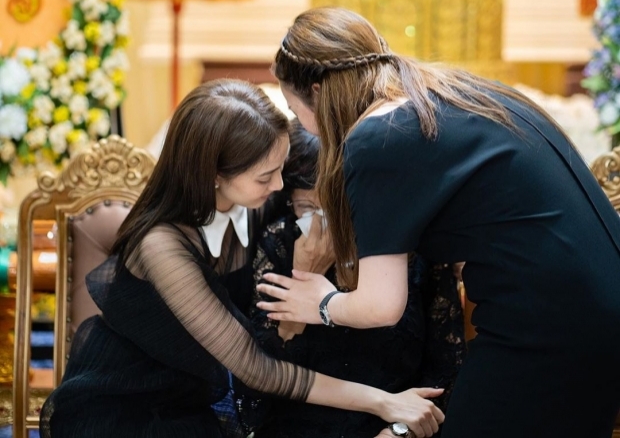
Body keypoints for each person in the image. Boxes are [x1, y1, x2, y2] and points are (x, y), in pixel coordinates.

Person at [257, 7, 620, 438]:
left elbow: (380, 306)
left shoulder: (378, 136)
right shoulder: (450, 91)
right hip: (600, 302)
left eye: (299, 114)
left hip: (550, 323)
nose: (307, 128)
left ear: (318, 92)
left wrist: (320, 303)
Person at [40, 79, 445, 438]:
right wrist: (385, 402)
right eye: (266, 177)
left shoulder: (253, 202)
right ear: (214, 173)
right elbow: (257, 368)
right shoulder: (161, 247)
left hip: (192, 402)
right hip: (130, 408)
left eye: (280, 168)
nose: (281, 186)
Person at [248, 120, 465, 438]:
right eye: (306, 206)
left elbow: (445, 367)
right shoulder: (279, 242)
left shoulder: (411, 250)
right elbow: (267, 371)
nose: (322, 223)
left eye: (336, 209)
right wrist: (307, 272)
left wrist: (398, 431)